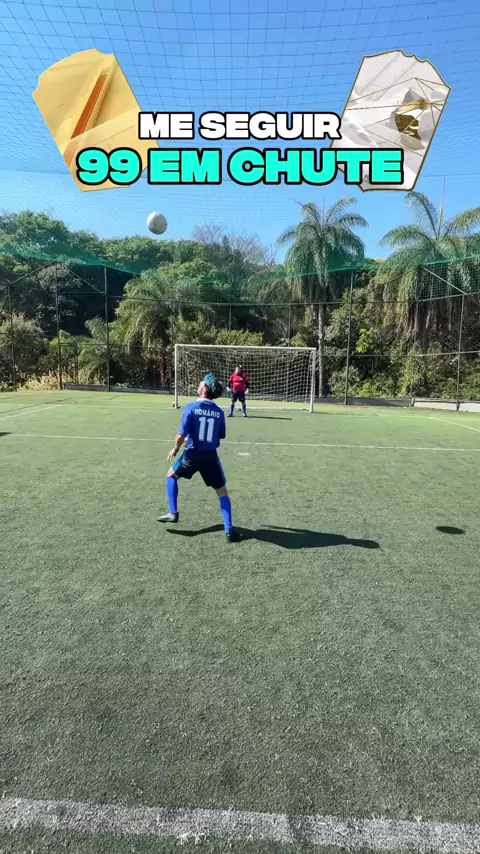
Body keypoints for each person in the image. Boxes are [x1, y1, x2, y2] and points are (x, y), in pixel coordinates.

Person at [158, 373, 239, 542]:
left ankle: (173, 513)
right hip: (210, 457)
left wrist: (175, 448)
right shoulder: (219, 412)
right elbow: (221, 435)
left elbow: (181, 435)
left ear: (204, 389)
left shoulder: (191, 407)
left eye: (202, 382)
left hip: (192, 455)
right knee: (222, 491)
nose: (199, 383)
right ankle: (229, 531)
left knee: (171, 476)